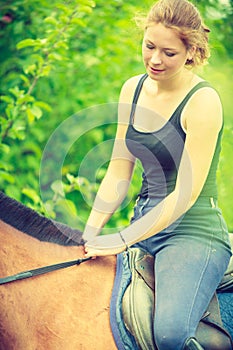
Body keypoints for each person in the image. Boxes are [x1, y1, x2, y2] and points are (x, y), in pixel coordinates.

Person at [82, 0, 232, 349]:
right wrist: (91, 232)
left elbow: (185, 194)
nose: (155, 60)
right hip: (142, 221)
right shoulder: (132, 89)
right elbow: (120, 168)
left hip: (192, 232)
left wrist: (122, 239)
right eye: (149, 47)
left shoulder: (203, 101)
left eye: (168, 52)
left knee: (169, 334)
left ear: (191, 51)